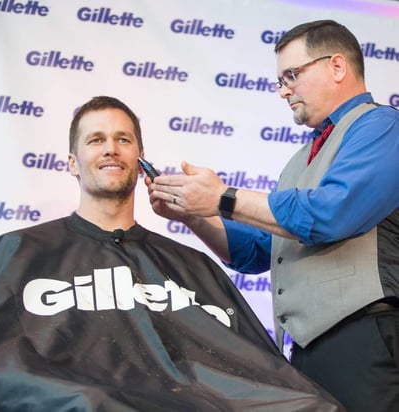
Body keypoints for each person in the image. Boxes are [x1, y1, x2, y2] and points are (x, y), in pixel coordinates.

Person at [0, 96, 345, 411]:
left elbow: (256, 371)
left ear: (141, 159)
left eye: (122, 139)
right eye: (96, 140)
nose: (110, 148)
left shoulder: (191, 267)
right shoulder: (19, 253)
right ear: (71, 163)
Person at [147, 20, 399, 412]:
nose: (283, 90)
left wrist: (222, 198)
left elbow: (331, 213)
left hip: (366, 341)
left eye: (292, 75)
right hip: (307, 354)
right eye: (280, 80)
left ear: (336, 66)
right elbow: (255, 252)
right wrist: (195, 213)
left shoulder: (383, 126)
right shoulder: (301, 159)